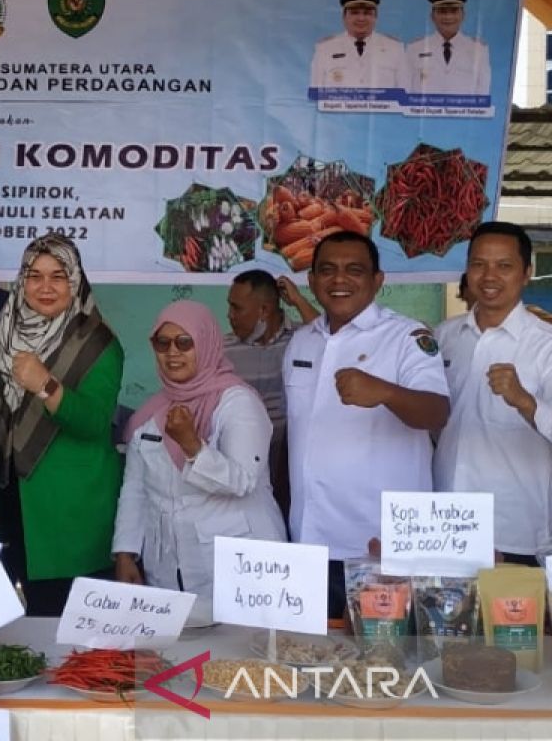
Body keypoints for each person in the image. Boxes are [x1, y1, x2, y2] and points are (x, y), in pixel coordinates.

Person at [284, 231, 449, 617]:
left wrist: (387, 393)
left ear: (377, 280)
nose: (339, 280)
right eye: (327, 270)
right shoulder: (301, 341)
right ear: (311, 281)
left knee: (384, 665)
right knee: (311, 661)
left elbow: (437, 412)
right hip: (309, 541)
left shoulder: (407, 338)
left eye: (354, 270)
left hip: (378, 549)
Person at [0, 233, 124, 617]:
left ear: (74, 281)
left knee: (66, 627)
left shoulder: (99, 343)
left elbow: (94, 422)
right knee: (15, 625)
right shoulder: (3, 334)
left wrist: (45, 384)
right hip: (9, 502)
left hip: (70, 512)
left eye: (58, 276)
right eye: (34, 275)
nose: (45, 287)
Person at [114, 301, 285, 600]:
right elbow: (135, 489)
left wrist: (192, 444)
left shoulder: (238, 403)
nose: (172, 352)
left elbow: (242, 481)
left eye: (184, 342)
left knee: (237, 645)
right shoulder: (151, 413)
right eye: (162, 342)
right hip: (168, 566)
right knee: (177, 645)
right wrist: (126, 552)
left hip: (239, 561)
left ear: (206, 344)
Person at [435, 223, 552, 565]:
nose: (489, 276)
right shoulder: (445, 336)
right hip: (443, 520)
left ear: (527, 273)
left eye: (504, 266)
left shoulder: (545, 345)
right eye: (479, 264)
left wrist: (525, 401)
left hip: (514, 524)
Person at [224, 270, 319, 521]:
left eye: (237, 308)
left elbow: (333, 343)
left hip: (295, 460)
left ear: (264, 311)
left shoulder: (304, 337)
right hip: (242, 462)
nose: (229, 316)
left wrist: (299, 301)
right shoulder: (223, 350)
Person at [310, 0, 406, 91]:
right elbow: (315, 95)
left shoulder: (395, 48)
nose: (361, 18)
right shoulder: (325, 48)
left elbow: (404, 93)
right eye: (355, 12)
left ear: (376, 17)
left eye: (367, 13)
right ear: (344, 17)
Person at [407, 0, 490, 97]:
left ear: (463, 15)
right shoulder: (415, 48)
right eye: (442, 11)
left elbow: (482, 93)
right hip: (425, 114)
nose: (448, 16)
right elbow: (407, 90)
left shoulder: (479, 49)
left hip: (464, 114)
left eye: (454, 11)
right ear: (432, 16)